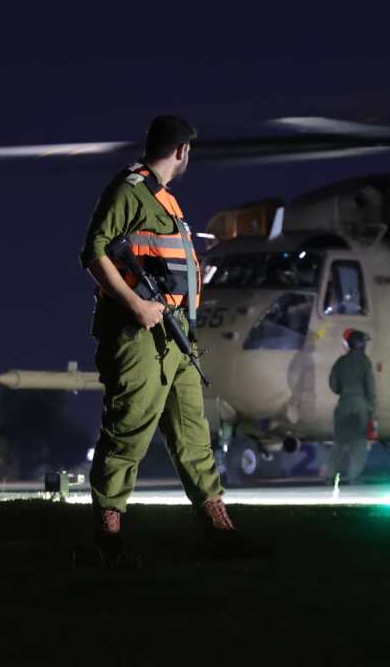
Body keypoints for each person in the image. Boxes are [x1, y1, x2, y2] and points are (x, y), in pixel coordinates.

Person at [79, 114, 245, 563]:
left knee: (194, 432)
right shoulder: (130, 190)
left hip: (176, 336)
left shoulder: (165, 200)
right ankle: (108, 530)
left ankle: (218, 524)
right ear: (182, 151)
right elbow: (94, 251)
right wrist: (137, 306)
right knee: (129, 426)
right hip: (139, 333)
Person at [328, 328, 376, 484]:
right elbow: (370, 389)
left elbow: (334, 386)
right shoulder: (365, 362)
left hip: (343, 406)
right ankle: (353, 477)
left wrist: (345, 389)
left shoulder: (340, 362)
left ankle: (331, 476)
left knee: (339, 443)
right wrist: (372, 412)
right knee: (359, 444)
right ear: (361, 344)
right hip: (360, 407)